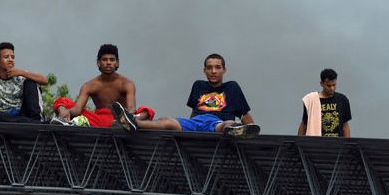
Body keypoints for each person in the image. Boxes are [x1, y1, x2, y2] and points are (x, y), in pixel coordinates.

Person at [112, 53, 259, 137]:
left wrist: (253, 130)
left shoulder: (232, 87)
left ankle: (237, 131)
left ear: (224, 70)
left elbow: (244, 114)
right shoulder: (198, 85)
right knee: (167, 121)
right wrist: (187, 130)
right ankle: (132, 123)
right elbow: (194, 112)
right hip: (196, 122)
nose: (213, 71)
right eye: (209, 68)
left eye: (217, 68)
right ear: (204, 70)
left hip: (217, 122)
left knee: (227, 125)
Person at [51, 44, 154, 127]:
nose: (108, 63)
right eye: (104, 60)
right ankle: (64, 119)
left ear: (117, 63)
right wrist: (65, 111)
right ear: (98, 63)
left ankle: (126, 122)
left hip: (119, 120)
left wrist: (127, 116)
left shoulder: (126, 83)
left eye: (112, 60)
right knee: (62, 101)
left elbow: (131, 108)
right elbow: (78, 109)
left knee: (147, 110)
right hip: (98, 120)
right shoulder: (89, 85)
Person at [0, 42, 48, 123]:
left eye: (12, 57)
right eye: (6, 57)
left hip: (25, 114)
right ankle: (35, 124)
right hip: (7, 119)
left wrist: (23, 73)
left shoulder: (21, 75)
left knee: (30, 81)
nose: (10, 60)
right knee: (1, 117)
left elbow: (45, 80)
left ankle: (38, 120)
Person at [298, 68, 352, 137]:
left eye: (334, 85)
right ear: (321, 83)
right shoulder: (312, 100)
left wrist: (347, 144)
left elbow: (345, 125)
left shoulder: (342, 100)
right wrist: (298, 142)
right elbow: (304, 123)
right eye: (328, 86)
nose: (332, 88)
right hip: (318, 143)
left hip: (338, 144)